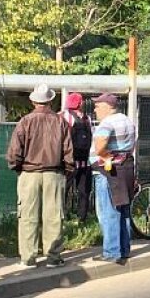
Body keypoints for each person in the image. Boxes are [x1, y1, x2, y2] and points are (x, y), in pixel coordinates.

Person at [7, 84, 74, 268]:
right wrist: (67, 170)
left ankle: (28, 258)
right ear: (51, 100)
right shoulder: (61, 122)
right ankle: (53, 257)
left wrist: (17, 167)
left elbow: (14, 152)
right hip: (55, 173)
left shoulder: (25, 121)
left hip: (29, 173)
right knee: (54, 216)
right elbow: (68, 150)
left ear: (33, 100)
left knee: (28, 216)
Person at [91, 93, 136, 264]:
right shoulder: (127, 121)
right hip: (125, 168)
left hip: (108, 171)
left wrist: (102, 154)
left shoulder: (108, 123)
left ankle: (111, 251)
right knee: (124, 210)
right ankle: (124, 249)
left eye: (98, 106)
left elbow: (100, 144)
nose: (95, 109)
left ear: (108, 107)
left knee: (108, 211)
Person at [61, 92, 94, 222]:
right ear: (80, 103)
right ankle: (82, 218)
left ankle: (62, 217)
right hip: (85, 161)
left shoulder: (62, 116)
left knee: (64, 190)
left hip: (68, 161)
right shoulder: (87, 118)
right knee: (84, 191)